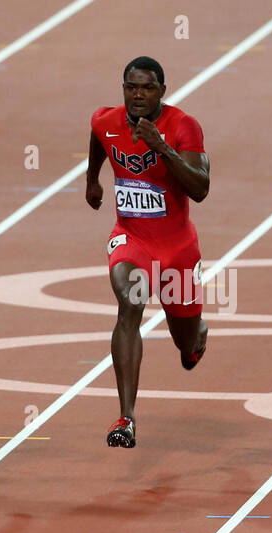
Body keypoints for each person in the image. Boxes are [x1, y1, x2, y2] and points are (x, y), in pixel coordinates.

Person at [85, 56, 210, 449]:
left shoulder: (183, 126)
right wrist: (92, 180)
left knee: (185, 340)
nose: (138, 95)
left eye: (147, 88)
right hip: (132, 238)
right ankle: (127, 417)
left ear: (162, 91)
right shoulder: (106, 121)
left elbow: (201, 188)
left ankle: (196, 338)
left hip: (177, 249)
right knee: (129, 300)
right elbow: (98, 140)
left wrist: (162, 148)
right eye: (131, 87)